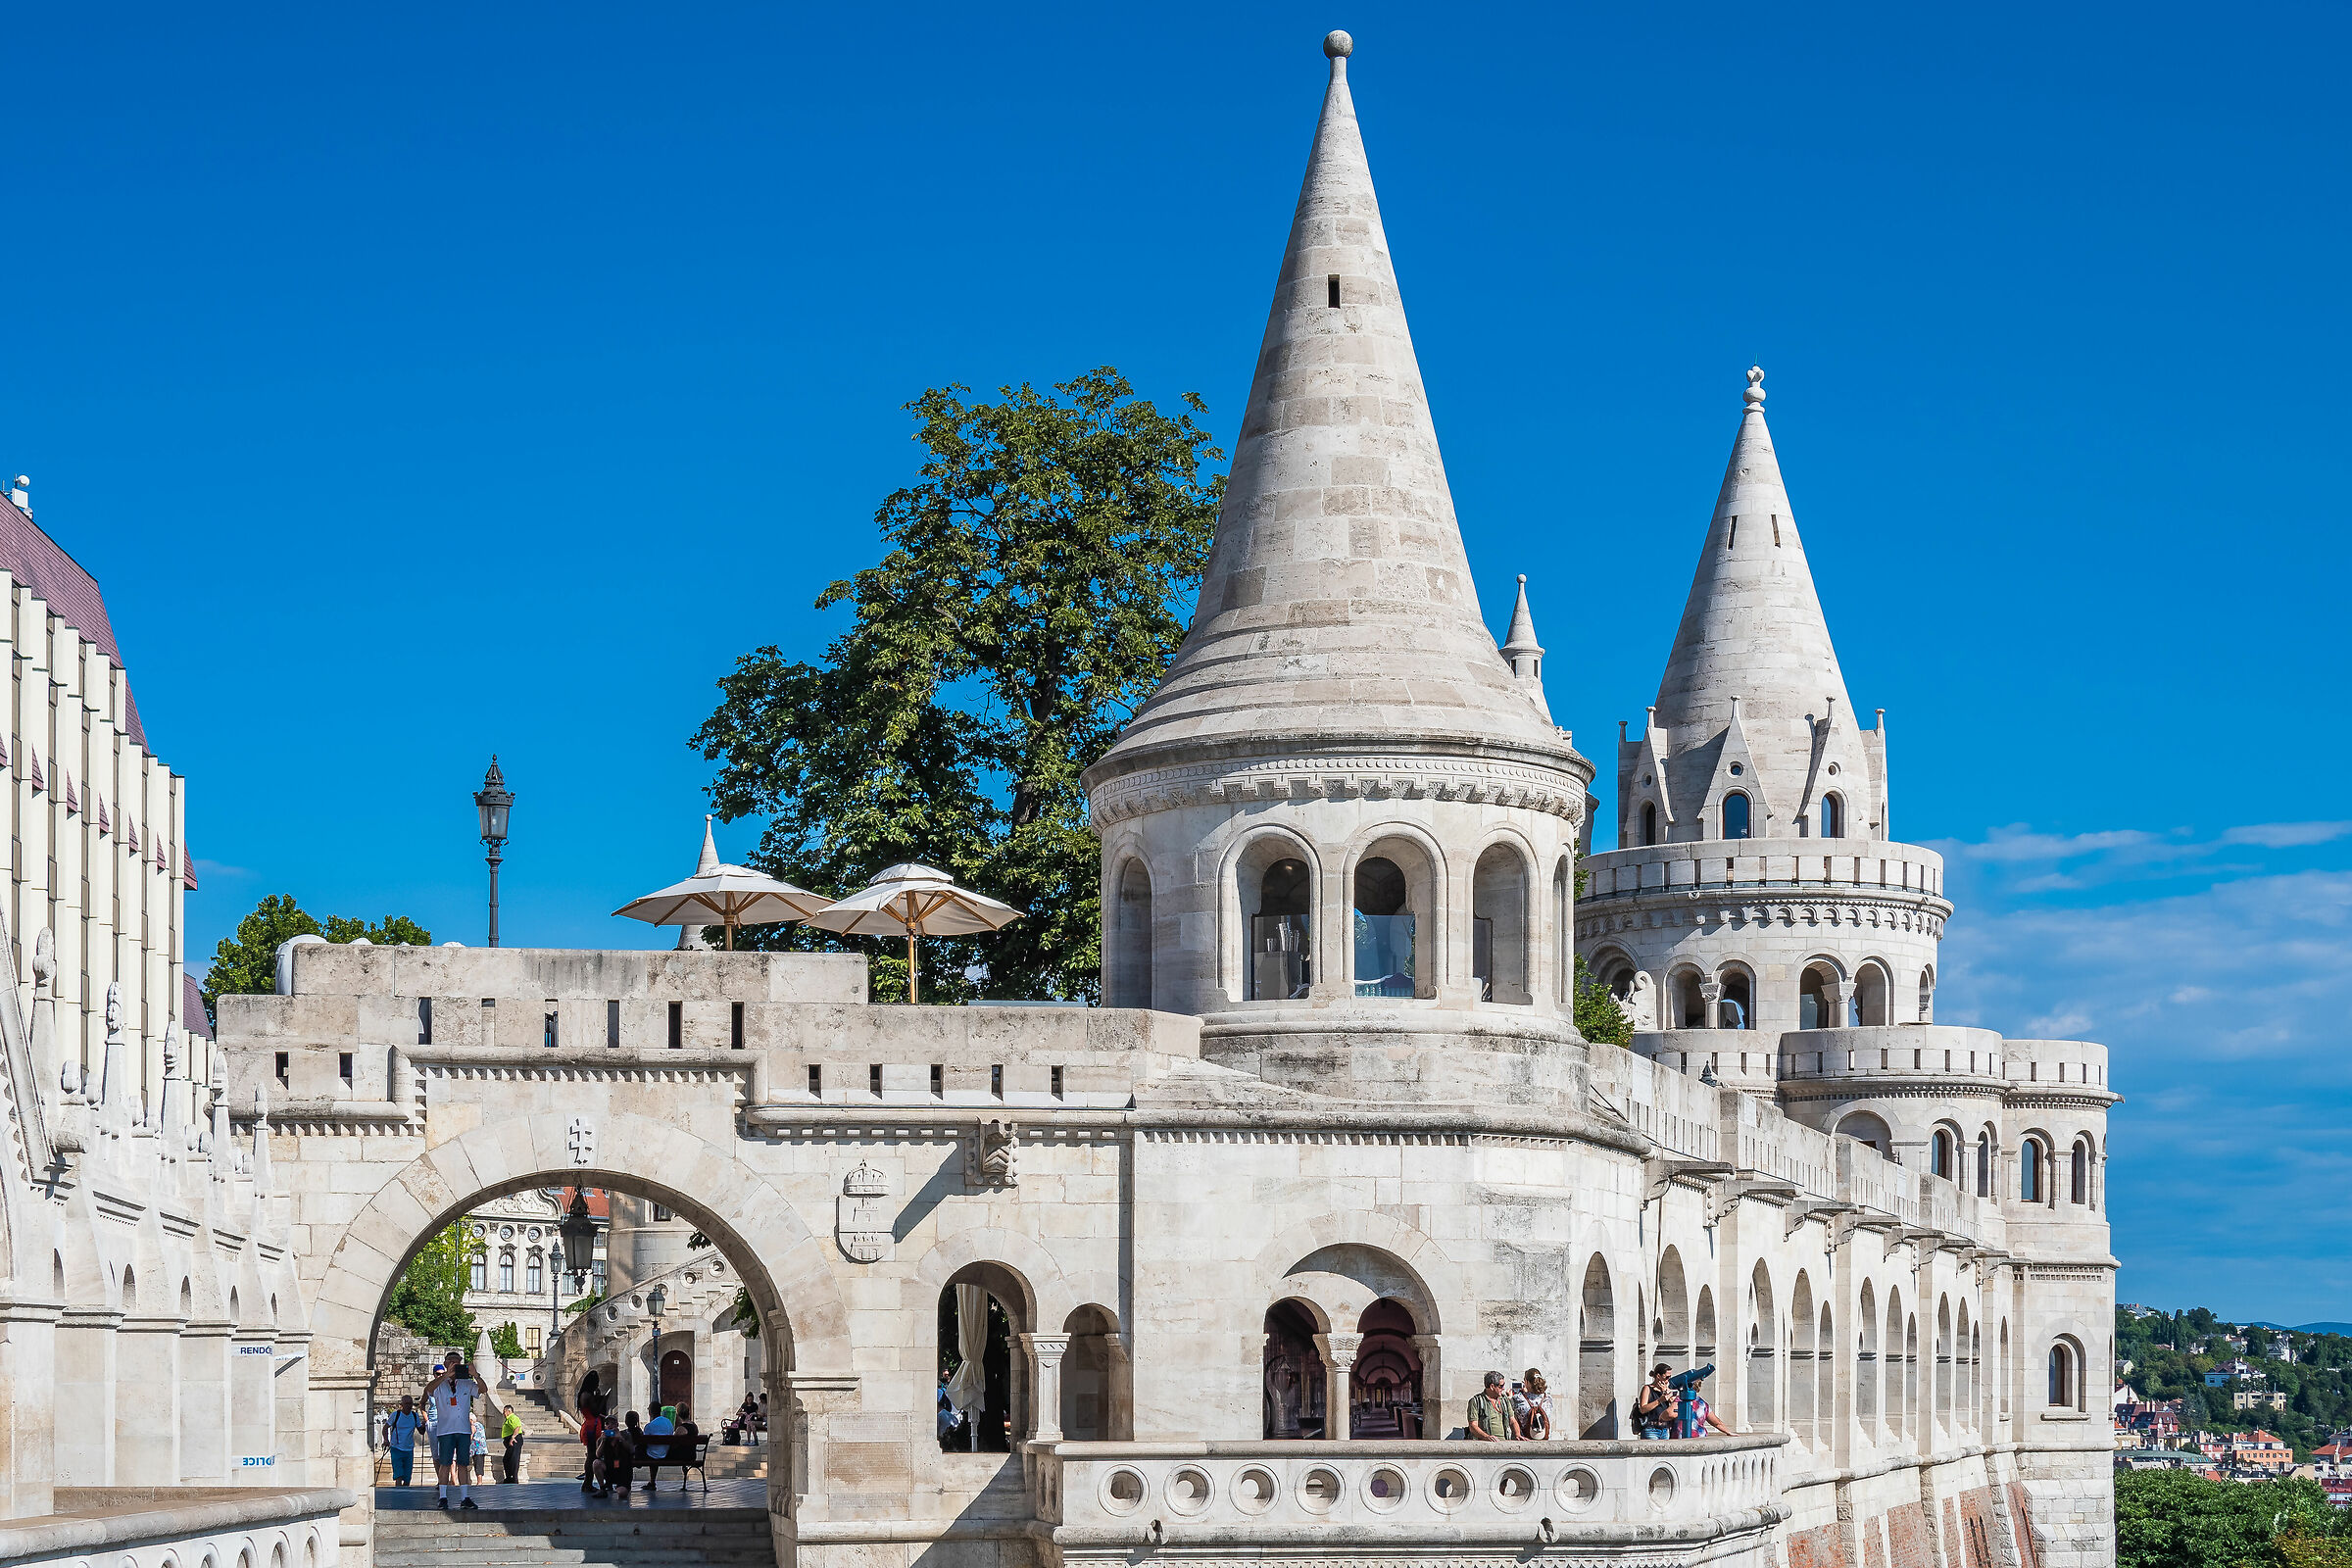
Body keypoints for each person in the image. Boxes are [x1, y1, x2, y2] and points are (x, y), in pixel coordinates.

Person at [423, 1349, 495, 1510]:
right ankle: (443, 1497)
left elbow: (483, 1390)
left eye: (458, 1362)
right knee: (445, 1463)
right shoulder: (440, 1384)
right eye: (451, 1362)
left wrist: (475, 1374)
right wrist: (445, 1375)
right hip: (446, 1430)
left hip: (463, 1430)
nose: (455, 1365)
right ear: (446, 1364)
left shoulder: (466, 1383)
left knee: (463, 1463)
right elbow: (428, 1390)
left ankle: (464, 1497)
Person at [1677, 1370, 1736, 1439]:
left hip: (1682, 1438)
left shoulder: (1678, 1401)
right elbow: (1717, 1423)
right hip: (1700, 1437)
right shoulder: (1702, 1403)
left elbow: (1668, 1414)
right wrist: (1728, 1432)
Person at [1468, 1370, 1519, 1441]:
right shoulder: (1476, 1401)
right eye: (1501, 1386)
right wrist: (1486, 1437)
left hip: (1504, 1443)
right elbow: (1473, 1426)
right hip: (1485, 1444)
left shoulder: (1504, 1400)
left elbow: (1512, 1421)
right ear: (1492, 1386)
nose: (1503, 1388)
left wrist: (1517, 1435)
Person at [384, 1396, 423, 1486]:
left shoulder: (414, 1415)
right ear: (402, 1405)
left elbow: (421, 1431)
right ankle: (398, 1494)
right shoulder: (396, 1415)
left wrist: (425, 1425)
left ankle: (405, 1494)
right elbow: (385, 1428)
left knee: (407, 1477)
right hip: (396, 1448)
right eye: (406, 1404)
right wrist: (386, 1440)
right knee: (398, 1475)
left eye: (410, 1404)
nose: (409, 1406)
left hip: (409, 1449)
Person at [1635, 1364, 1677, 1440]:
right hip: (1651, 1429)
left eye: (1670, 1377)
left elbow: (1674, 1404)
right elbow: (1643, 1409)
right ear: (1658, 1376)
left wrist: (1666, 1391)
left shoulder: (1667, 1389)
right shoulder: (1647, 1388)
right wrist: (1660, 1400)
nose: (1668, 1380)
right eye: (1666, 1377)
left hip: (1665, 1429)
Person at [596, 1415, 634, 1497]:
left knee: (622, 1493)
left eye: (613, 1423)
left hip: (623, 1469)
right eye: (607, 1424)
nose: (610, 1426)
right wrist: (603, 1441)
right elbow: (598, 1454)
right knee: (596, 1463)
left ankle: (621, 1486)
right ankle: (602, 1489)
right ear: (605, 1426)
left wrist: (620, 1439)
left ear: (617, 1425)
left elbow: (631, 1450)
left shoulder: (625, 1435)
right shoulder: (602, 1438)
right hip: (609, 1467)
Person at [641, 1405, 676, 1491]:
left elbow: (644, 1442)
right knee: (656, 1451)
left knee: (652, 1451)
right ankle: (652, 1482)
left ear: (650, 1413)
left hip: (651, 1455)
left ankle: (652, 1482)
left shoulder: (649, 1426)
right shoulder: (668, 1422)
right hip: (666, 1453)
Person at [1516, 1369, 1554, 1440]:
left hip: (1525, 1440)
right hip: (1545, 1439)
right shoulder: (1548, 1398)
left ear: (1527, 1382)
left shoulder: (1519, 1399)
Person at [578, 1402, 605, 1488]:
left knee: (591, 1455)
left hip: (593, 1425)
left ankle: (588, 1482)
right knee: (591, 1455)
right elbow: (594, 1411)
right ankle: (587, 1483)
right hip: (592, 1427)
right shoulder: (586, 1397)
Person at [501, 1403, 525, 1483]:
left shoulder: (513, 1417)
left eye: (504, 1411)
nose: (503, 1413)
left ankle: (514, 1478)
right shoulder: (508, 1419)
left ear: (508, 1411)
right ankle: (509, 1477)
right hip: (510, 1440)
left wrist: (512, 1437)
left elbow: (517, 1427)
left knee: (514, 1459)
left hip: (514, 1440)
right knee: (507, 1459)